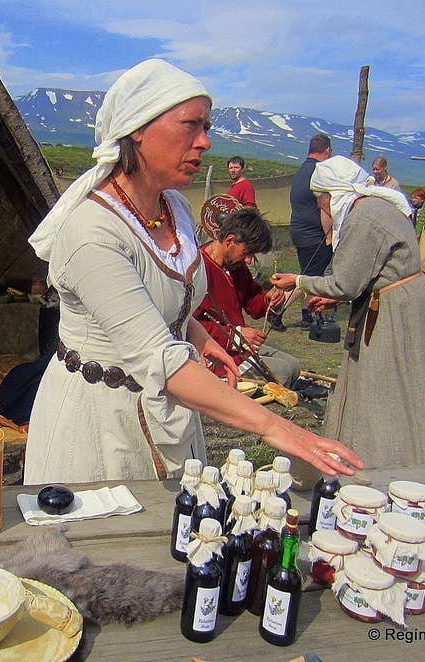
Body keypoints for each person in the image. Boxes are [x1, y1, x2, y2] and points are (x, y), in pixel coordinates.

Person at [23, 59, 362, 485]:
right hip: (101, 424)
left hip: (171, 411)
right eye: (191, 125)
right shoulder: (92, 233)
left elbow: (166, 303)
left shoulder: (177, 209)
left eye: (207, 127)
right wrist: (278, 427)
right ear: (138, 128)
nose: (204, 142)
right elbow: (159, 358)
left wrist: (197, 335)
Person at [270, 157, 425, 469]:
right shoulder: (374, 208)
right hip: (393, 300)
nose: (324, 211)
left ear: (331, 196)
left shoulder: (364, 217)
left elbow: (345, 283)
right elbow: (366, 274)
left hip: (395, 310)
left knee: (385, 385)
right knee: (384, 382)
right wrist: (335, 298)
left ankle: (388, 460)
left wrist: (298, 281)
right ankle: (375, 450)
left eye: (322, 203)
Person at [193, 207, 300, 387]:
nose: (249, 260)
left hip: (238, 347)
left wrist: (268, 299)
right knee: (282, 373)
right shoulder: (197, 269)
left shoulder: (236, 267)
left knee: (293, 366)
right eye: (247, 253)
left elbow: (253, 304)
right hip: (214, 352)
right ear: (230, 240)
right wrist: (237, 336)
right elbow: (190, 324)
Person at [289, 134, 333, 329]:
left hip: (298, 229)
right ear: (327, 151)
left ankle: (308, 314)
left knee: (309, 276)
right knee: (309, 278)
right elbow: (325, 206)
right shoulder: (320, 172)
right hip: (313, 234)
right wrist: (330, 236)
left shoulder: (302, 170)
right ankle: (276, 309)